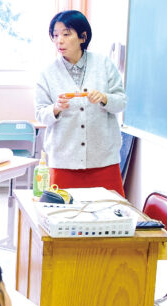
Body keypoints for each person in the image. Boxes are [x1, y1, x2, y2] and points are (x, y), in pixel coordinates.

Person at [35, 10, 128, 196]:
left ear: (82, 36)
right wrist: (55, 108)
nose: (59, 40)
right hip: (63, 162)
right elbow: (40, 114)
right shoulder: (47, 73)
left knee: (108, 216)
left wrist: (104, 98)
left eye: (66, 34)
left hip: (103, 162)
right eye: (55, 35)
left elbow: (121, 102)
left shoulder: (103, 64)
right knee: (64, 219)